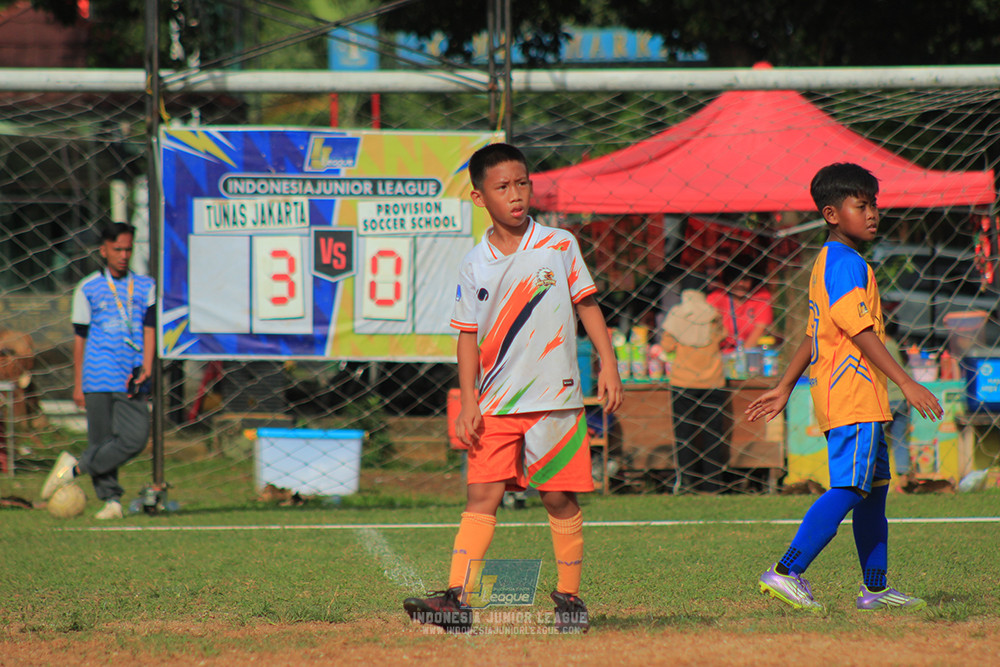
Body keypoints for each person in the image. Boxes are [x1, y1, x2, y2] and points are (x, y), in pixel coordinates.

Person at [402, 143, 623, 633]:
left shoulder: (559, 244)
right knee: (481, 495)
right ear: (480, 198)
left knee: (558, 499)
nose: (516, 195)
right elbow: (466, 337)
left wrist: (608, 364)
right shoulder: (474, 263)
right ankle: (456, 599)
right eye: (503, 187)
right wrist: (468, 401)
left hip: (557, 401)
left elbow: (588, 306)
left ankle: (569, 600)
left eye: (522, 183)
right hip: (497, 404)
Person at [746, 163, 943, 612]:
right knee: (851, 488)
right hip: (851, 394)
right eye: (861, 205)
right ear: (832, 213)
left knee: (873, 492)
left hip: (861, 398)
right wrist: (906, 380)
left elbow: (815, 334)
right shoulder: (844, 264)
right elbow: (859, 331)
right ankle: (786, 570)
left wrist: (783, 387)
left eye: (874, 204)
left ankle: (875, 589)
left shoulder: (832, 261)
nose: (873, 213)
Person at [41, 223, 155, 519]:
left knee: (136, 437)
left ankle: (74, 467)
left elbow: (150, 328)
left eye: (128, 249)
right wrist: (78, 383)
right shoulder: (88, 288)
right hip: (97, 373)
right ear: (103, 250)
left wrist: (148, 366)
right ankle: (112, 502)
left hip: (132, 374)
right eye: (117, 249)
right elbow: (80, 340)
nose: (123, 255)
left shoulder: (145, 286)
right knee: (101, 439)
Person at [660, 277, 728, 494]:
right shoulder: (713, 315)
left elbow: (666, 345)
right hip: (713, 381)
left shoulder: (676, 314)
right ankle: (712, 484)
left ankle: (687, 483)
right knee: (713, 435)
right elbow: (723, 338)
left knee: (684, 435)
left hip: (683, 382)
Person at [707, 261, 774, 353]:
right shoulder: (716, 298)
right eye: (736, 279)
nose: (741, 284)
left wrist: (741, 357)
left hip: (751, 353)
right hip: (720, 353)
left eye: (746, 279)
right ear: (728, 280)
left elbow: (760, 329)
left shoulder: (761, 296)